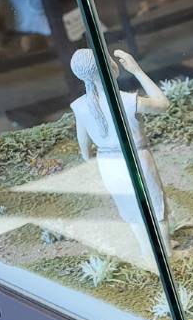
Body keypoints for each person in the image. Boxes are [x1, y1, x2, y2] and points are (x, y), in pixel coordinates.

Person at [69, 48, 172, 256]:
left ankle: (146, 250)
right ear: (110, 66)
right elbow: (163, 104)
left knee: (130, 209)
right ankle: (166, 252)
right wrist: (137, 71)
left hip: (107, 163)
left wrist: (89, 158)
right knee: (155, 206)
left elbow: (83, 142)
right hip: (136, 158)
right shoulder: (126, 100)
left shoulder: (80, 105)